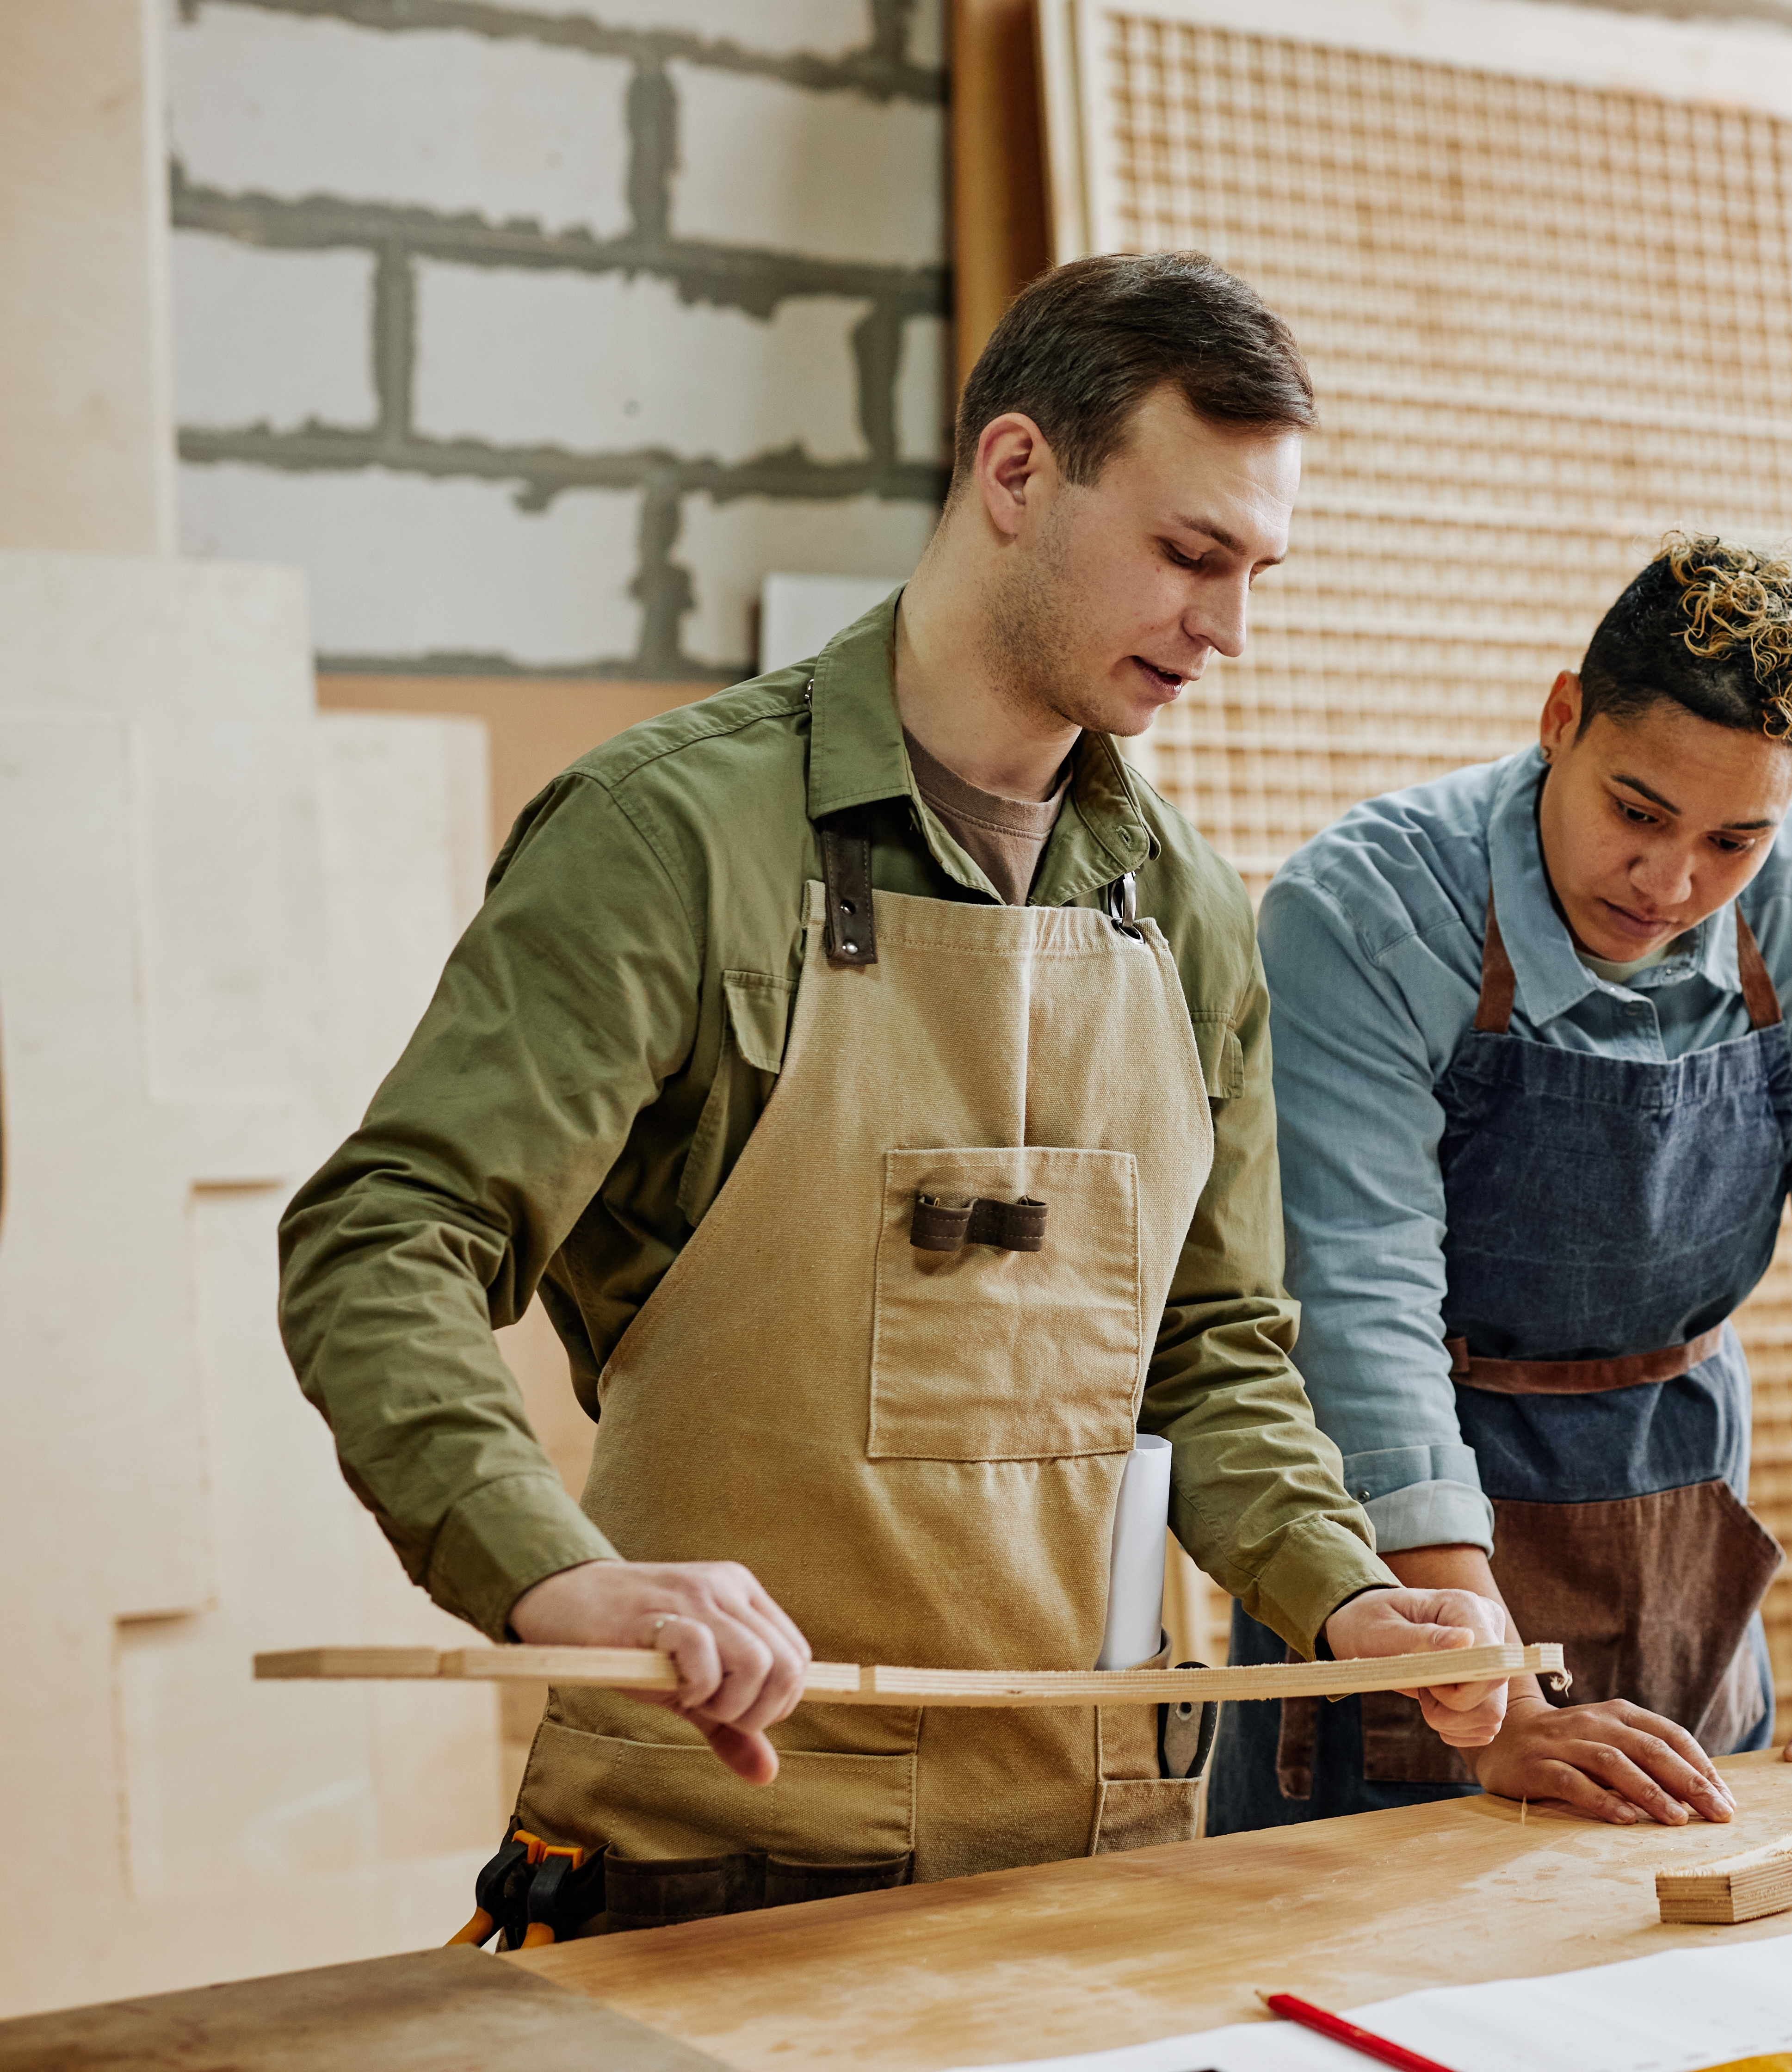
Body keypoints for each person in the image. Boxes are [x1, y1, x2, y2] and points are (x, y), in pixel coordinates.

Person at [278, 253, 1512, 1939]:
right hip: (720, 1866)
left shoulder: (1191, 916)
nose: (1227, 629)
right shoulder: (675, 844)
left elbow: (1210, 1351)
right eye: (1187, 555)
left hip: (1103, 1866)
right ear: (1016, 474)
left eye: (1256, 571)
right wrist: (551, 1569)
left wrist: (1342, 1595)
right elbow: (384, 1237)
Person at [1207, 534, 1792, 1834]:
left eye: (1734, 840)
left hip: (1680, 1515)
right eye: (1638, 813)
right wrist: (1500, 1706)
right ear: (1561, 720)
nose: (1671, 882)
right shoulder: (1367, 914)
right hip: (1398, 1557)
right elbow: (1361, 1310)